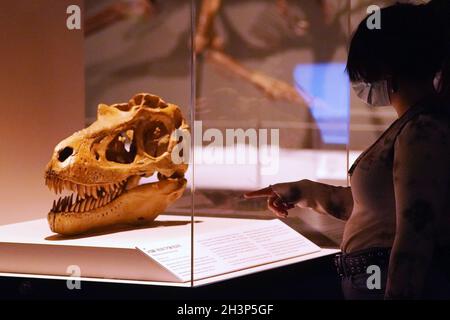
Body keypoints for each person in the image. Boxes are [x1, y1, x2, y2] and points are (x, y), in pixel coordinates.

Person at [244, 0, 450, 300]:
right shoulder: (413, 125)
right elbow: (379, 208)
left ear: (381, 64)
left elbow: (414, 237)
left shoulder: (423, 129)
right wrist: (304, 192)